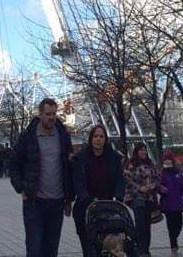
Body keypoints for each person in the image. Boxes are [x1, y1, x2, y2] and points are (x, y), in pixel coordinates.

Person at [10, 97, 74, 257]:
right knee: (35, 247)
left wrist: (69, 199)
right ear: (40, 114)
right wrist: (21, 188)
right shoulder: (28, 137)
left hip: (57, 202)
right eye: (48, 114)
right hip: (34, 201)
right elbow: (13, 163)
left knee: (51, 249)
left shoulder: (63, 136)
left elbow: (68, 168)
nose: (51, 117)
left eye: (54, 114)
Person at [72, 124, 125, 257]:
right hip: (86, 206)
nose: (98, 139)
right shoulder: (81, 158)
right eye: (95, 136)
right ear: (91, 139)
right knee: (88, 246)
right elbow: (78, 181)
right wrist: (84, 196)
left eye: (101, 136)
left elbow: (120, 179)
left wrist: (118, 197)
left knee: (108, 244)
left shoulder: (114, 158)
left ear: (105, 139)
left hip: (108, 206)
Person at [124, 142, 160, 257]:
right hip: (136, 198)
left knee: (147, 224)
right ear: (136, 151)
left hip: (149, 198)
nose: (143, 152)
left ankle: (146, 249)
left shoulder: (150, 164)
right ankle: (140, 249)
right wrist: (140, 188)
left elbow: (157, 177)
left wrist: (154, 185)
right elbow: (127, 180)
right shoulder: (131, 164)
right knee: (140, 224)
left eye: (145, 150)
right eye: (141, 150)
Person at [159, 151, 183, 255]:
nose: (167, 163)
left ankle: (174, 238)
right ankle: (173, 244)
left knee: (179, 224)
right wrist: (160, 188)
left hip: (178, 204)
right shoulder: (161, 174)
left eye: (169, 161)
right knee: (170, 225)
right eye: (166, 161)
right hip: (167, 205)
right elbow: (156, 186)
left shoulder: (178, 173)